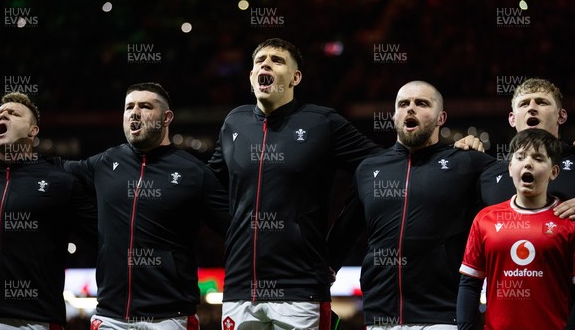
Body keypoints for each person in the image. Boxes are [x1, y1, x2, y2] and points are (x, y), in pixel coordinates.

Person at [208, 38, 386, 329]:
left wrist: (337, 246)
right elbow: (206, 187)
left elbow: (380, 169)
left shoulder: (322, 123)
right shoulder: (233, 123)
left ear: (295, 77)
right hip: (240, 288)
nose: (266, 63)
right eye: (259, 60)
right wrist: (234, 231)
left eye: (277, 60)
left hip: (301, 288)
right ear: (252, 77)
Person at [54, 82, 231, 330]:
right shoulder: (106, 161)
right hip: (110, 317)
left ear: (167, 117)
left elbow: (236, 229)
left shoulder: (194, 173)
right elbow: (54, 170)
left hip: (170, 318)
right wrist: (4, 155)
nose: (134, 112)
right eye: (129, 107)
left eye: (145, 106)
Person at [327, 80, 496, 329]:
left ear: (441, 117)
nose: (410, 108)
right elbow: (343, 236)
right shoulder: (369, 169)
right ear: (394, 115)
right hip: (380, 318)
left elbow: (526, 186)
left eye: (421, 103)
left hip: (442, 317)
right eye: (403, 104)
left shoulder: (466, 163)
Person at [0, 92, 97, 330]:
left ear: (33, 131)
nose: (4, 115)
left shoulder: (60, 181)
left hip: (37, 320)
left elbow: (107, 236)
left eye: (14, 113)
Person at [457, 128, 575, 330]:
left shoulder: (569, 223)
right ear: (510, 168)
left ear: (554, 171)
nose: (528, 163)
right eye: (520, 157)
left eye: (538, 158)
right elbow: (469, 284)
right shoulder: (485, 219)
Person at [480, 79, 575, 213]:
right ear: (512, 119)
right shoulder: (489, 173)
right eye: (524, 104)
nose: (531, 108)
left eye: (542, 102)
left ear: (561, 115)